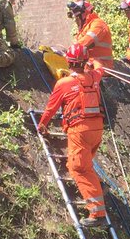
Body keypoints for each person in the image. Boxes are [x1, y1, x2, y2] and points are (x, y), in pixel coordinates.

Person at [36, 44, 107, 226]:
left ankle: (97, 213)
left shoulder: (64, 83)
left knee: (78, 169)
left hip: (80, 131)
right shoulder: (94, 77)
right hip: (97, 130)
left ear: (68, 61)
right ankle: (99, 186)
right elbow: (101, 68)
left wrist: (42, 124)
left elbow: (51, 107)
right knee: (85, 164)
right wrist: (91, 65)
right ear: (84, 61)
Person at [67, 0, 114, 68]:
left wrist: (69, 52)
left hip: (101, 66)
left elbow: (85, 42)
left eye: (76, 16)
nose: (75, 19)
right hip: (89, 66)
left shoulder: (98, 24)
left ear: (84, 13)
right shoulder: (84, 28)